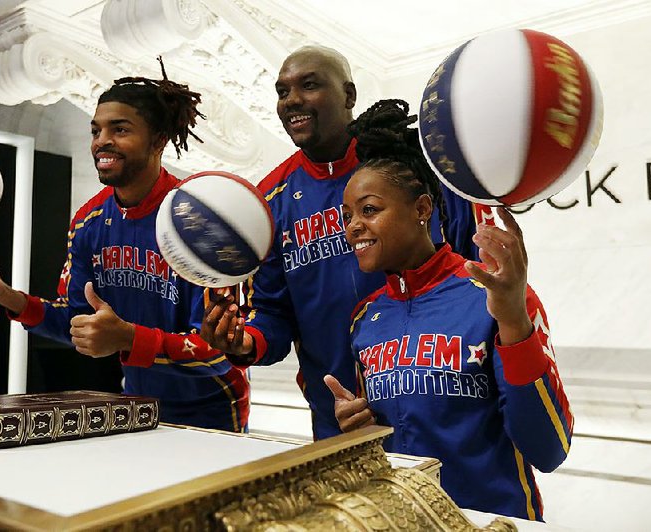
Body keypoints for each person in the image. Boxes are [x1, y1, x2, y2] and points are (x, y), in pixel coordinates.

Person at [201, 45, 490, 439]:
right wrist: (243, 342)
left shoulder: (417, 168)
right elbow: (272, 313)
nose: (292, 101)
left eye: (310, 85)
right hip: (339, 414)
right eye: (282, 91)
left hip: (445, 407)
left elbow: (478, 276)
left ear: (349, 95)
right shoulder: (268, 202)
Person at [0, 64, 249, 432]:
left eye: (119, 129)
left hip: (213, 413)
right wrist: (1, 293)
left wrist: (128, 338)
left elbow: (219, 350)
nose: (101, 141)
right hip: (137, 408)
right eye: (95, 130)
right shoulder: (88, 221)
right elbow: (75, 321)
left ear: (158, 141)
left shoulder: (202, 217)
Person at [324, 98, 573, 520]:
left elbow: (549, 450)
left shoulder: (494, 296)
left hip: (494, 524)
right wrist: (361, 429)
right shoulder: (365, 318)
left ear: (422, 209)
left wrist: (514, 319)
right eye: (347, 215)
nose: (353, 226)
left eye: (369, 210)